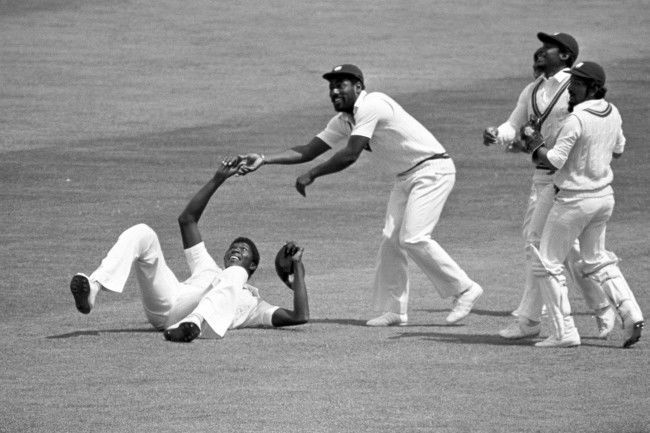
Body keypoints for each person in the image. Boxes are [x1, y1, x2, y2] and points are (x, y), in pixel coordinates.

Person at [236, 64, 482, 327]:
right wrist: (264, 159)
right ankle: (396, 311)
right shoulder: (343, 120)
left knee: (414, 237)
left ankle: (464, 289)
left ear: (358, 87)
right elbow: (308, 150)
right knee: (391, 240)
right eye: (331, 86)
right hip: (405, 178)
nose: (334, 91)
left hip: (433, 169)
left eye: (340, 85)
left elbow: (351, 153)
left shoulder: (372, 104)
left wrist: (313, 174)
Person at [69, 159, 309, 342]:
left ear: (253, 264)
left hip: (195, 322)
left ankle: (193, 323)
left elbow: (300, 316)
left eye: (243, 250)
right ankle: (93, 287)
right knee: (144, 232)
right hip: (168, 303)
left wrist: (297, 265)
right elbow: (187, 220)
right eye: (232, 248)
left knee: (236, 274)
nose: (235, 251)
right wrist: (217, 180)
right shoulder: (207, 266)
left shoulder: (255, 305)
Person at [483, 32, 615, 340]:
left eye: (549, 47)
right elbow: (513, 126)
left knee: (539, 247)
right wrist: (496, 133)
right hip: (542, 177)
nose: (540, 51)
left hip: (570, 180)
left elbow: (597, 125)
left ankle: (531, 319)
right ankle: (603, 307)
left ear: (566, 56)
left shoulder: (578, 86)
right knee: (561, 251)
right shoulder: (532, 90)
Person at [520, 61, 644, 347]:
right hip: (603, 199)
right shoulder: (613, 112)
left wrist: (536, 143)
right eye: (571, 82)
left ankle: (564, 332)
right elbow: (620, 149)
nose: (570, 89)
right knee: (595, 259)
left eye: (577, 84)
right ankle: (630, 313)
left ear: (593, 88)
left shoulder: (575, 120)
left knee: (547, 262)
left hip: (573, 200)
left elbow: (553, 161)